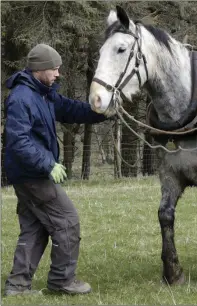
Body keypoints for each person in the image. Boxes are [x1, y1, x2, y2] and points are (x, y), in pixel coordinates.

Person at [4, 43, 107, 296]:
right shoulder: (21, 98)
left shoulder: (44, 93)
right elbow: (18, 141)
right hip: (32, 175)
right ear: (39, 69)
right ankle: (62, 281)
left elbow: (72, 109)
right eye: (54, 69)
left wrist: (103, 111)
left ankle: (18, 287)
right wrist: (48, 164)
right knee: (67, 221)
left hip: (29, 174)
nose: (58, 74)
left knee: (35, 227)